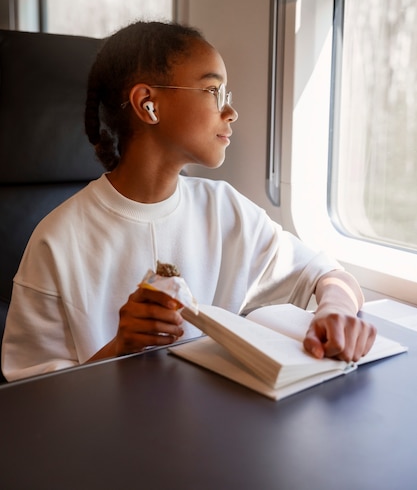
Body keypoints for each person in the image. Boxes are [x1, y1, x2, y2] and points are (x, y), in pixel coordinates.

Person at [1, 20, 376, 381]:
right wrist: (121, 347)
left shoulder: (225, 210)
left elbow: (329, 275)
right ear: (148, 104)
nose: (231, 112)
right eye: (214, 92)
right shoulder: (57, 239)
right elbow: (30, 394)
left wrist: (336, 311)